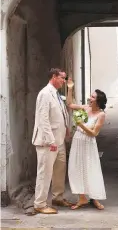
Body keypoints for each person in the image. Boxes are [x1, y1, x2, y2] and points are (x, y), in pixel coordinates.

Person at [32, 68, 73, 214]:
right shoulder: (45, 94)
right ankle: (40, 204)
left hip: (59, 140)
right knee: (45, 172)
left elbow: (61, 113)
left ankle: (58, 197)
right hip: (48, 142)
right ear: (54, 77)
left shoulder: (56, 94)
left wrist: (67, 128)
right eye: (62, 78)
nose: (64, 80)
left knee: (59, 170)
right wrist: (51, 141)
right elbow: (43, 119)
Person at [66, 79, 107, 210]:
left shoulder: (101, 114)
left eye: (93, 97)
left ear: (98, 100)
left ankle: (94, 198)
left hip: (88, 144)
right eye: (91, 95)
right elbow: (70, 104)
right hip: (78, 141)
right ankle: (82, 198)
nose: (90, 98)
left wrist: (81, 125)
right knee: (77, 168)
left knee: (90, 169)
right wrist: (70, 88)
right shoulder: (85, 107)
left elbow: (94, 133)